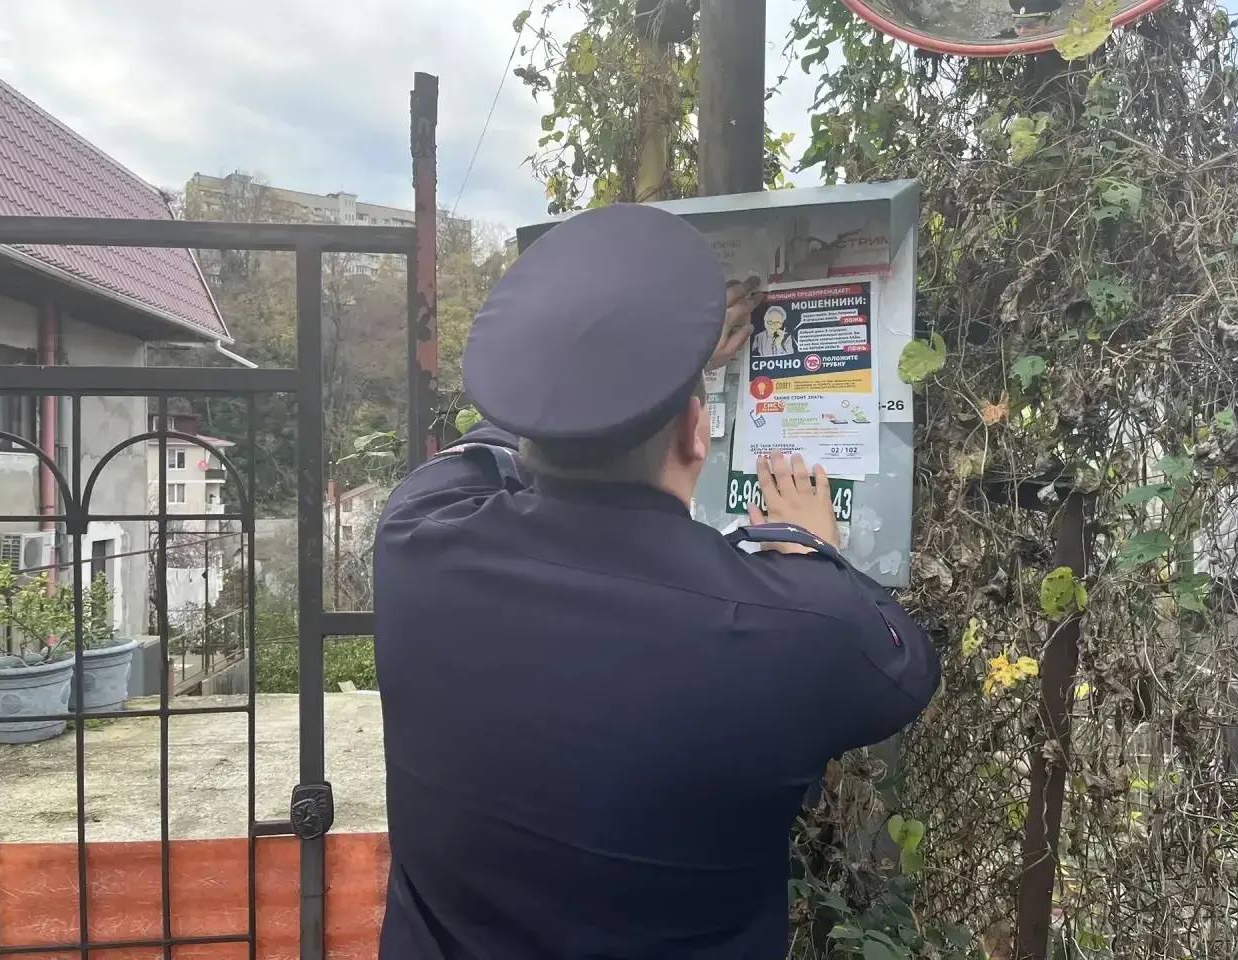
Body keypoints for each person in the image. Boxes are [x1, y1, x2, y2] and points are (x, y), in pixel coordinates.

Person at [373, 203, 940, 960]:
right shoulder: (801, 631)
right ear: (698, 433)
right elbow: (905, 661)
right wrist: (810, 548)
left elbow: (473, 457)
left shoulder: (415, 544)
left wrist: (623, 374)